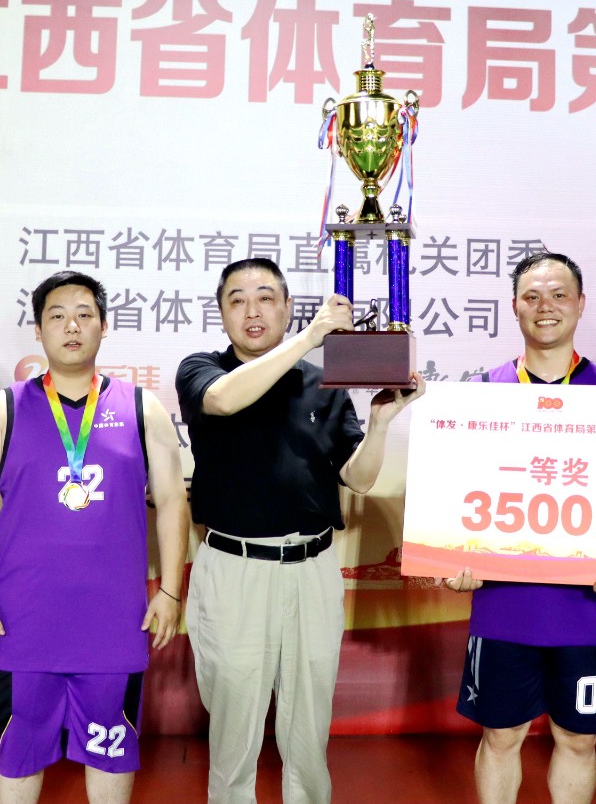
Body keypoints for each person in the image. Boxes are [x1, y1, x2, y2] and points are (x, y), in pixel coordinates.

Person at [175, 257, 424, 804]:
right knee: (234, 723)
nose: (252, 311)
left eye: (266, 298)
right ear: (221, 313)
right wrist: (312, 336)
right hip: (236, 568)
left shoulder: (322, 383)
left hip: (312, 569)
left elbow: (358, 478)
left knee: (309, 723)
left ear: (286, 307)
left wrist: (381, 423)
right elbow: (224, 400)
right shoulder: (202, 371)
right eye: (237, 300)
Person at [0, 271, 188, 804]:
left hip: (114, 625)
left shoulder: (141, 409)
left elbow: (173, 502)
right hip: (21, 623)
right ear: (39, 331)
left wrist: (171, 592)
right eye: (57, 316)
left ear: (104, 325)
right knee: (18, 761)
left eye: (85, 315)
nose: (72, 326)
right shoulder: (4, 409)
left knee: (110, 757)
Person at [444, 252, 596, 804]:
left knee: (578, 738)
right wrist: (454, 559)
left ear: (580, 303)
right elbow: (457, 496)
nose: (544, 306)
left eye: (558, 294)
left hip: (589, 603)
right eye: (531, 296)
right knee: (501, 735)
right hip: (504, 600)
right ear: (514, 307)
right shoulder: (482, 394)